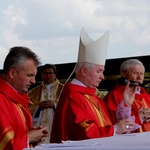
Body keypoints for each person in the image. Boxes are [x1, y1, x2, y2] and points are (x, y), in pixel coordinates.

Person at [50, 28, 137, 143]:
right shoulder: (72, 97)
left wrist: (126, 105)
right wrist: (116, 128)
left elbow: (111, 122)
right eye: (99, 71)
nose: (102, 77)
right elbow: (84, 132)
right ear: (84, 71)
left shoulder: (94, 97)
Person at [0, 46, 49, 150]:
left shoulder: (17, 96)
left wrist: (33, 135)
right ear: (12, 73)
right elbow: (4, 144)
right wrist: (29, 138)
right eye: (29, 75)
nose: (33, 81)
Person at [104, 59, 150, 132]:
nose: (139, 77)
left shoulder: (147, 97)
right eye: (135, 73)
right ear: (124, 74)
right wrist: (139, 117)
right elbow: (114, 124)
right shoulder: (114, 95)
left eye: (141, 74)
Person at [27, 64, 64, 143]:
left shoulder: (63, 90)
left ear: (55, 74)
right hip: (39, 128)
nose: (48, 76)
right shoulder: (33, 92)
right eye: (45, 73)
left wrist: (54, 105)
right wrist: (38, 107)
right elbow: (27, 108)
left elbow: (68, 108)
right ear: (41, 75)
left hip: (56, 127)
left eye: (50, 73)